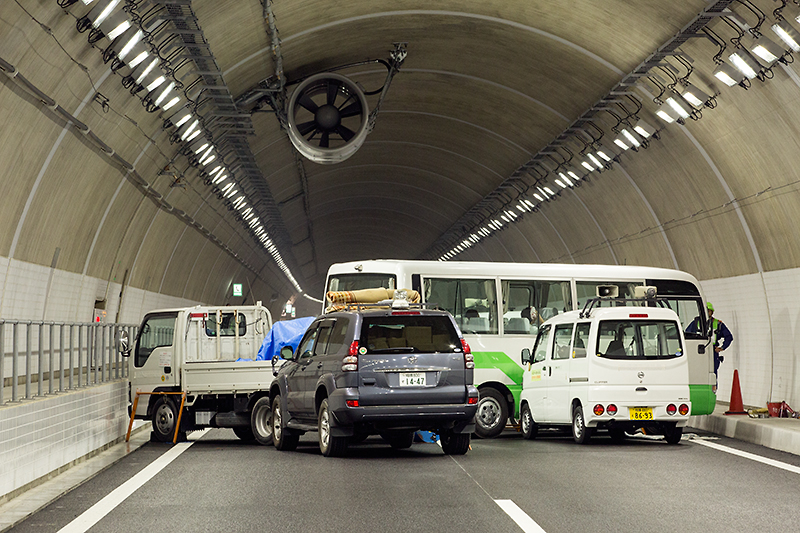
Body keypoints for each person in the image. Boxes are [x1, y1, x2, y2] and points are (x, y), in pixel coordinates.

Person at [686, 301, 733, 386]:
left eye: (708, 310)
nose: (707, 312)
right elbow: (687, 334)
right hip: (698, 351)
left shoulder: (718, 324)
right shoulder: (696, 322)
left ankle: (713, 390)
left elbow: (729, 337)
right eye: (705, 310)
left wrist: (722, 347)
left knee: (712, 373)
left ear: (712, 312)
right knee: (697, 371)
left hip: (713, 352)